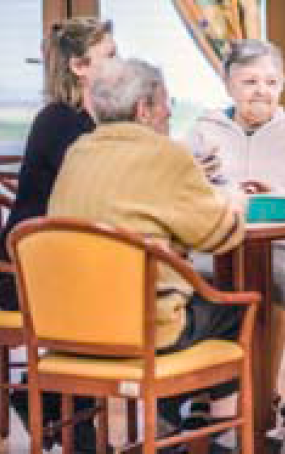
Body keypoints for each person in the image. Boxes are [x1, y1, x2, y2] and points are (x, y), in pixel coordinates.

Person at [47, 57, 246, 454]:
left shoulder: (77, 153)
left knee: (187, 301)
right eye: (165, 101)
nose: (170, 111)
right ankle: (219, 437)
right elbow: (219, 235)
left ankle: (171, 428)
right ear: (144, 109)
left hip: (68, 330)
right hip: (141, 334)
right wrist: (235, 203)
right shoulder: (165, 156)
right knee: (234, 307)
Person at [184, 39, 285, 394]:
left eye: (271, 83)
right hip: (217, 242)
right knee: (193, 282)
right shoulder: (203, 132)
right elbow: (178, 196)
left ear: (282, 85)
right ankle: (206, 396)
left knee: (271, 282)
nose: (261, 92)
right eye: (250, 82)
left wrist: (282, 200)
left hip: (281, 248)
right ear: (228, 84)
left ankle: (262, 396)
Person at [0, 17, 117, 453]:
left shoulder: (94, 119)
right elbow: (96, 191)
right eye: (110, 55)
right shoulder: (59, 122)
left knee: (117, 289)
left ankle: (57, 410)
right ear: (79, 67)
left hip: (67, 259)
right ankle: (67, 420)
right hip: (24, 271)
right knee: (116, 298)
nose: (119, 64)